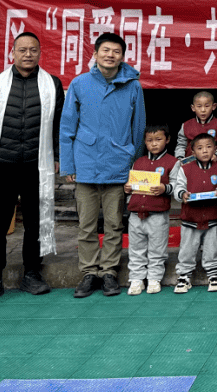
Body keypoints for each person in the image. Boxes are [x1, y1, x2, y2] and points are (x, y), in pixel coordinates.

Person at [0, 32, 64, 304]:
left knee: (35, 222)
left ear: (40, 53)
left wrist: (58, 155)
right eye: (22, 50)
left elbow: (60, 123)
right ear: (11, 53)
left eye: (33, 50)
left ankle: (32, 274)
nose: (28, 54)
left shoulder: (52, 84)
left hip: (38, 165)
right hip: (2, 164)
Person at [60, 31, 146, 298]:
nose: (110, 55)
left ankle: (109, 271)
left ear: (122, 57)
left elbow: (139, 126)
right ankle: (88, 272)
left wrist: (135, 165)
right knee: (86, 224)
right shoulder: (80, 83)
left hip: (118, 164)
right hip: (85, 163)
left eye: (116, 52)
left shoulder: (133, 86)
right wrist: (68, 165)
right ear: (95, 54)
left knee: (114, 224)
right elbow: (66, 126)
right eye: (105, 50)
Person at [124, 126, 180, 295]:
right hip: (135, 214)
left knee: (157, 248)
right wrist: (128, 190)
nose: (154, 144)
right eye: (149, 141)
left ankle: (154, 278)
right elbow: (132, 186)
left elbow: (178, 187)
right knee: (135, 248)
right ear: (145, 142)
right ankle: (136, 279)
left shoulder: (173, 162)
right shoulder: (138, 162)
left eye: (158, 140)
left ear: (167, 140)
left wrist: (165, 188)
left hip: (158, 214)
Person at [171, 133, 217, 293]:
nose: (205, 151)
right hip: (190, 216)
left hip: (211, 216)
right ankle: (184, 276)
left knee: (212, 246)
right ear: (193, 152)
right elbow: (178, 186)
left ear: (215, 149)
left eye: (209, 147)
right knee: (187, 247)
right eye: (200, 148)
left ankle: (213, 274)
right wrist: (183, 194)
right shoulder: (185, 169)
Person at [176, 90, 217, 160]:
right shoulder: (186, 125)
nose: (203, 110)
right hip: (190, 164)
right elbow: (181, 145)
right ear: (193, 108)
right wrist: (180, 158)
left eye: (207, 106)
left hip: (211, 163)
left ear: (214, 106)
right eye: (199, 106)